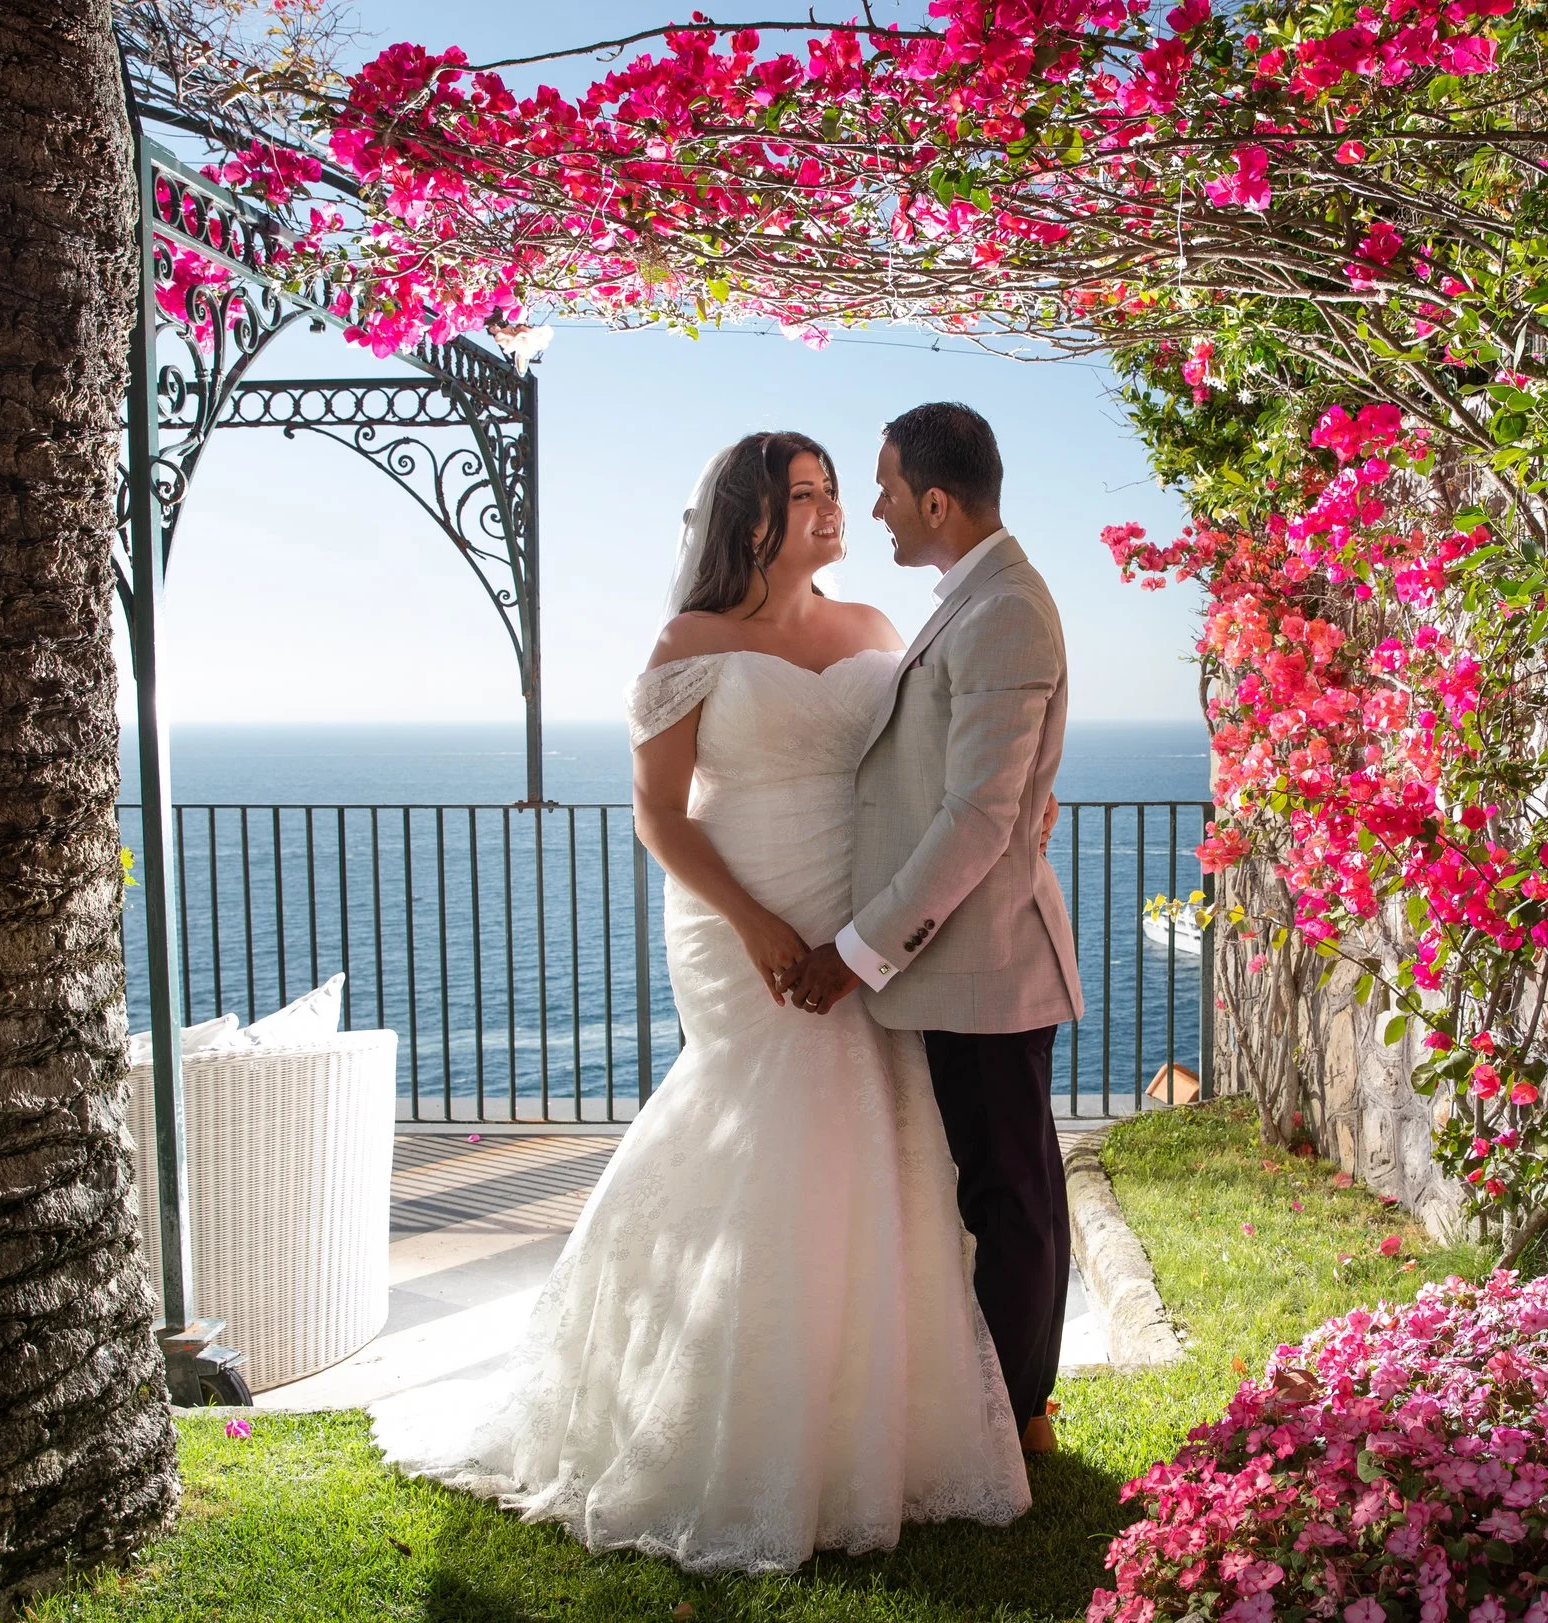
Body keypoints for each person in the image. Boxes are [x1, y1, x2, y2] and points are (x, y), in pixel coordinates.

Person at [370, 430, 1030, 1573]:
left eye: (834, 491)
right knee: (767, 1131)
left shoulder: (879, 628)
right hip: (745, 915)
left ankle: (873, 1420)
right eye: (805, 495)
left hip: (860, 911)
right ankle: (729, 1420)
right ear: (750, 518)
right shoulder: (690, 643)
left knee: (880, 1133)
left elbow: (939, 769)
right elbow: (662, 815)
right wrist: (758, 924)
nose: (831, 510)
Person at [781, 401, 1084, 1459]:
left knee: (1011, 1196)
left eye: (886, 487)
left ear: (938, 501)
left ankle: (1021, 1415)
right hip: (961, 963)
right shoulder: (980, 599)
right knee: (997, 1186)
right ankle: (1005, 1407)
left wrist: (856, 952)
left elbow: (974, 817)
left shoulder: (1004, 609)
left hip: (985, 965)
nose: (874, 507)